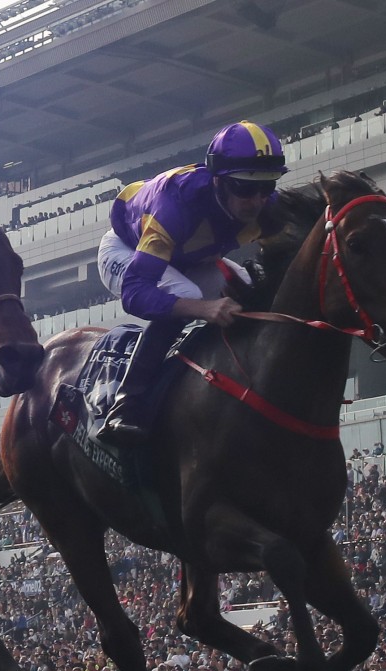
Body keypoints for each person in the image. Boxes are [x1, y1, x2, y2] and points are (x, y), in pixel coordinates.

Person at [94, 120, 288, 445]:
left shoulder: (267, 206)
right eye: (244, 188)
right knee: (188, 294)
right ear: (219, 181)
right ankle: (127, 404)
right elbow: (136, 294)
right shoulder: (174, 206)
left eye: (266, 188)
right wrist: (204, 308)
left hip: (190, 257)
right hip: (127, 249)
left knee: (247, 291)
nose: (256, 200)